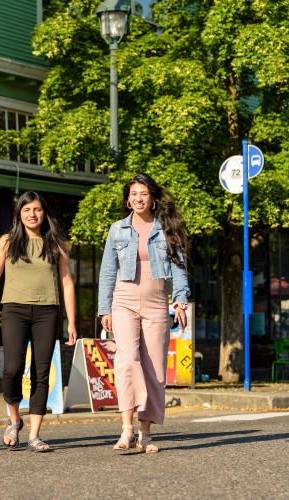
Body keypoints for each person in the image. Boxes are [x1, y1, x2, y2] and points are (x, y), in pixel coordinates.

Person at [97, 173, 190, 454]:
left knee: (154, 369)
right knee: (127, 360)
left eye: (144, 193)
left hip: (156, 302)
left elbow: (179, 268)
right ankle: (126, 430)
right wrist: (104, 309)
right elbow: (107, 271)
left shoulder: (167, 229)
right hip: (123, 300)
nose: (138, 198)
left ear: (152, 198)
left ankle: (145, 434)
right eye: (134, 193)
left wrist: (180, 300)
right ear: (128, 199)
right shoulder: (117, 230)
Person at [0, 191, 77, 453]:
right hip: (14, 310)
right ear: (19, 214)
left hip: (48, 311)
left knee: (41, 373)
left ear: (44, 213)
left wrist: (71, 321)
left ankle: (35, 434)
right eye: (26, 210)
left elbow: (67, 282)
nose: (32, 215)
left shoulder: (56, 243)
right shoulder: (7, 241)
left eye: (37, 209)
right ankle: (14, 420)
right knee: (12, 369)